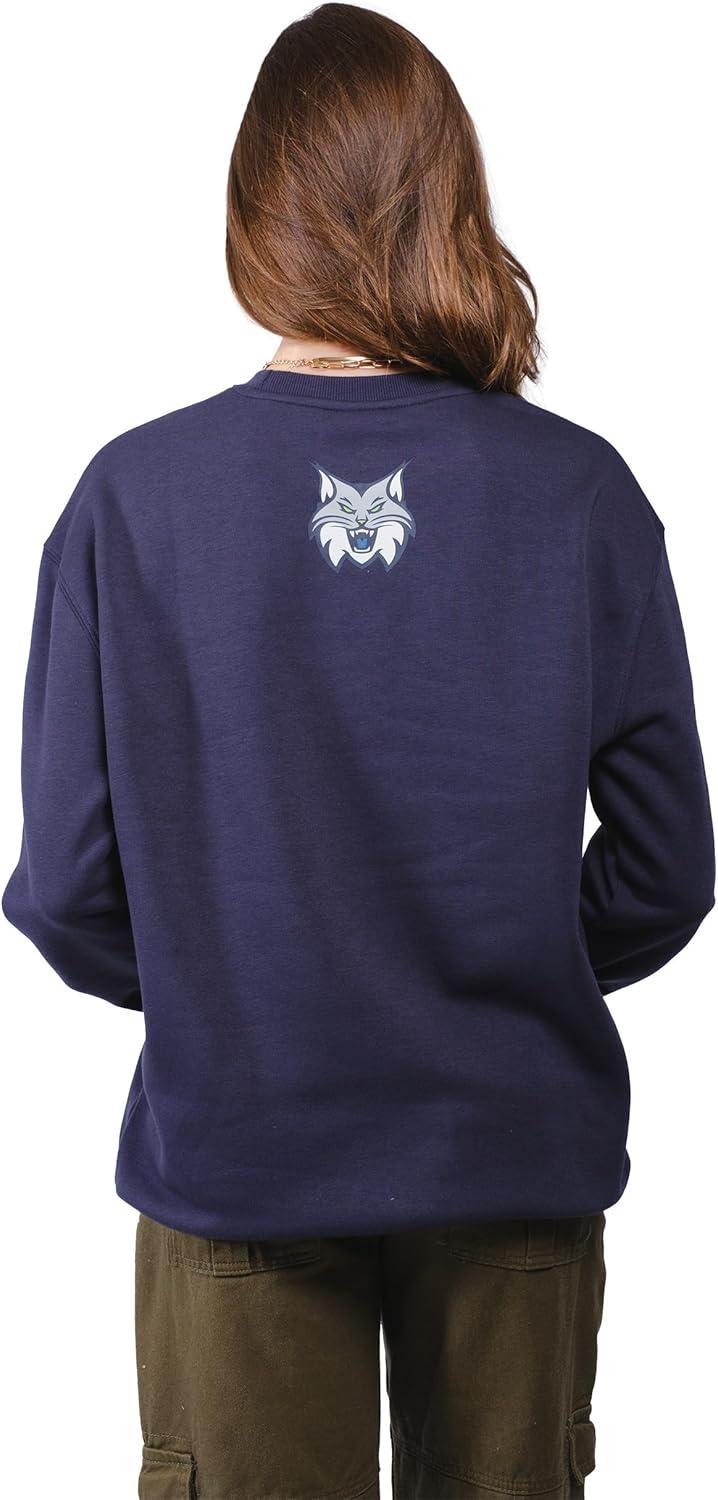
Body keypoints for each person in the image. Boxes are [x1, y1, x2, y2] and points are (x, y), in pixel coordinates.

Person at [3, 4, 714, 1497]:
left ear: (253, 211)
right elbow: (664, 872)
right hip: (508, 1143)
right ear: (452, 196)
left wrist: (241, 985)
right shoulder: (579, 493)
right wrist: (496, 971)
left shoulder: (133, 500)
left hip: (241, 1142)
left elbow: (67, 889)